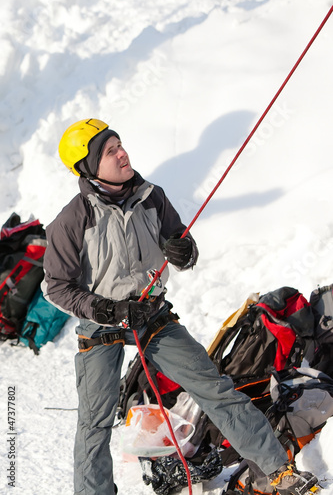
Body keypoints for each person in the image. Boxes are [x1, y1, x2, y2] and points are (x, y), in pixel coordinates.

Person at [42, 118, 317, 495]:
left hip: (152, 316)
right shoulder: (73, 219)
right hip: (102, 326)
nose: (122, 153)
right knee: (95, 422)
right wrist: (108, 310)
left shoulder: (152, 196)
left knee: (216, 390)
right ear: (88, 167)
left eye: (120, 144)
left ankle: (276, 470)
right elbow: (56, 287)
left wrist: (184, 251)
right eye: (110, 151)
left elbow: (182, 246)